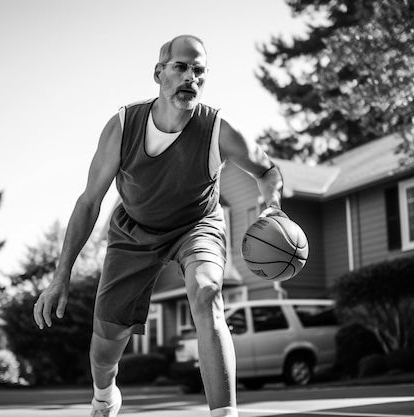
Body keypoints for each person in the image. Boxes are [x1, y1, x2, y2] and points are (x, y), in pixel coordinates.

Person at [33, 34, 285, 417]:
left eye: (199, 71)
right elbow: (89, 202)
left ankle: (225, 413)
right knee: (105, 346)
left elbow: (268, 171)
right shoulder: (123, 125)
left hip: (197, 226)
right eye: (181, 67)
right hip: (134, 230)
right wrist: (61, 275)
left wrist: (274, 206)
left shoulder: (219, 129)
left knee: (207, 293)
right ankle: (104, 395)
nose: (191, 78)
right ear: (159, 73)